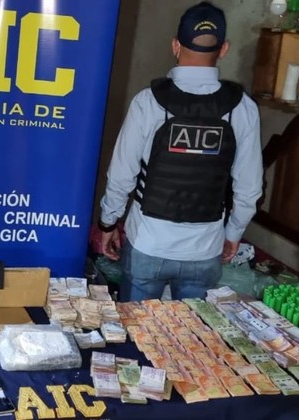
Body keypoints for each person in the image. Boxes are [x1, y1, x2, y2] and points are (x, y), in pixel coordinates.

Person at [98, 1, 262, 302]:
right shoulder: (242, 108)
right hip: (204, 249)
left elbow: (121, 175)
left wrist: (108, 223)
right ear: (223, 49)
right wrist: (233, 233)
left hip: (148, 244)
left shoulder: (148, 102)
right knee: (191, 330)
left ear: (175, 45)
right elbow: (249, 187)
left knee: (136, 327)